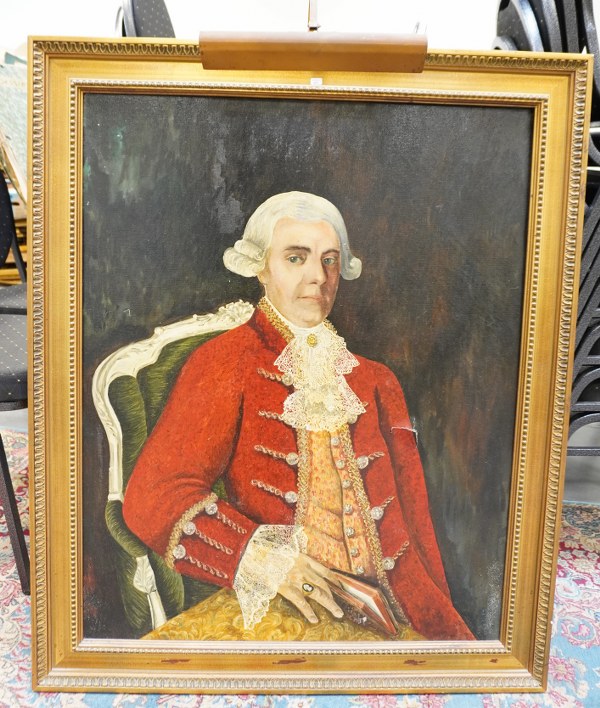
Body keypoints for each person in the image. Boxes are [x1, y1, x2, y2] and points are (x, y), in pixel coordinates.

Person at [123, 191, 474, 640]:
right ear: (261, 268)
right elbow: (153, 497)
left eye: (330, 261)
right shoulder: (224, 362)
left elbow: (418, 532)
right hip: (284, 606)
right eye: (296, 258)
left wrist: (440, 626)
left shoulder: (377, 380)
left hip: (390, 612)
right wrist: (268, 561)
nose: (318, 277)